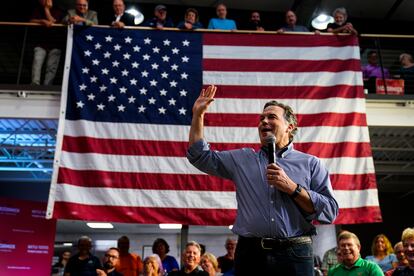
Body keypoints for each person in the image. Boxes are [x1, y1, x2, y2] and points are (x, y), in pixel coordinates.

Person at [187, 85, 338, 276]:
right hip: (251, 254)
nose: (264, 121)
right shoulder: (242, 159)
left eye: (271, 117)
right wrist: (198, 116)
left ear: (290, 127)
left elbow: (330, 212)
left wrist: (292, 188)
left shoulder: (310, 164)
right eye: (261, 119)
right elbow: (199, 156)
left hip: (295, 254)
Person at [29, 0, 63, 86]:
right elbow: (31, 21)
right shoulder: (37, 9)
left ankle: (47, 86)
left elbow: (52, 21)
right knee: (37, 63)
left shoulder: (57, 9)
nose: (45, 1)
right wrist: (42, 21)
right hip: (41, 42)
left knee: (51, 67)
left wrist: (46, 9)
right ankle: (35, 84)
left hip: (55, 43)